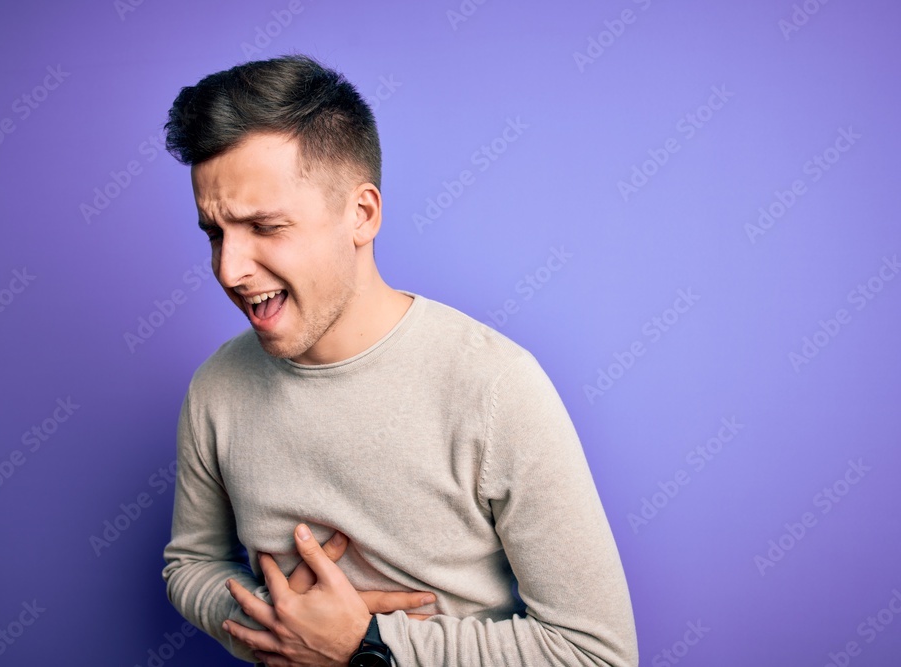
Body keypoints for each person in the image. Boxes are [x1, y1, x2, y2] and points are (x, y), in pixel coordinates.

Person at [161, 53, 638, 667]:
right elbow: (190, 564)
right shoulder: (217, 387)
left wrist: (365, 646)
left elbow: (595, 653)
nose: (229, 269)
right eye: (214, 233)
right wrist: (277, 623)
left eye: (266, 227)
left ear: (361, 215)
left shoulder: (495, 386)